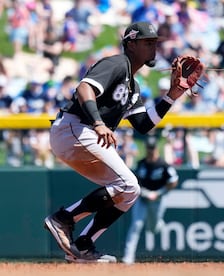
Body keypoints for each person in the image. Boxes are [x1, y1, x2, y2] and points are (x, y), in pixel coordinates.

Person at [43, 21, 191, 263]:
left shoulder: (133, 85)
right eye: (147, 43)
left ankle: (83, 246)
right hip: (76, 127)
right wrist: (99, 123)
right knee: (128, 183)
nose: (153, 48)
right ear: (130, 44)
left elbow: (143, 124)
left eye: (155, 43)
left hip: (82, 134)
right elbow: (84, 89)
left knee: (129, 192)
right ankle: (64, 219)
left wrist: (172, 95)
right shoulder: (117, 64)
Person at [122, 136, 178, 264]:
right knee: (136, 225)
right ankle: (128, 258)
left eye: (152, 148)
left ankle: (159, 224)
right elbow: (135, 181)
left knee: (153, 229)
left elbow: (173, 181)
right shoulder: (142, 164)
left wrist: (159, 193)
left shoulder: (163, 165)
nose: (150, 151)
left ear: (156, 149)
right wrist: (145, 192)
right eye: (149, 148)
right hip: (142, 198)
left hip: (158, 199)